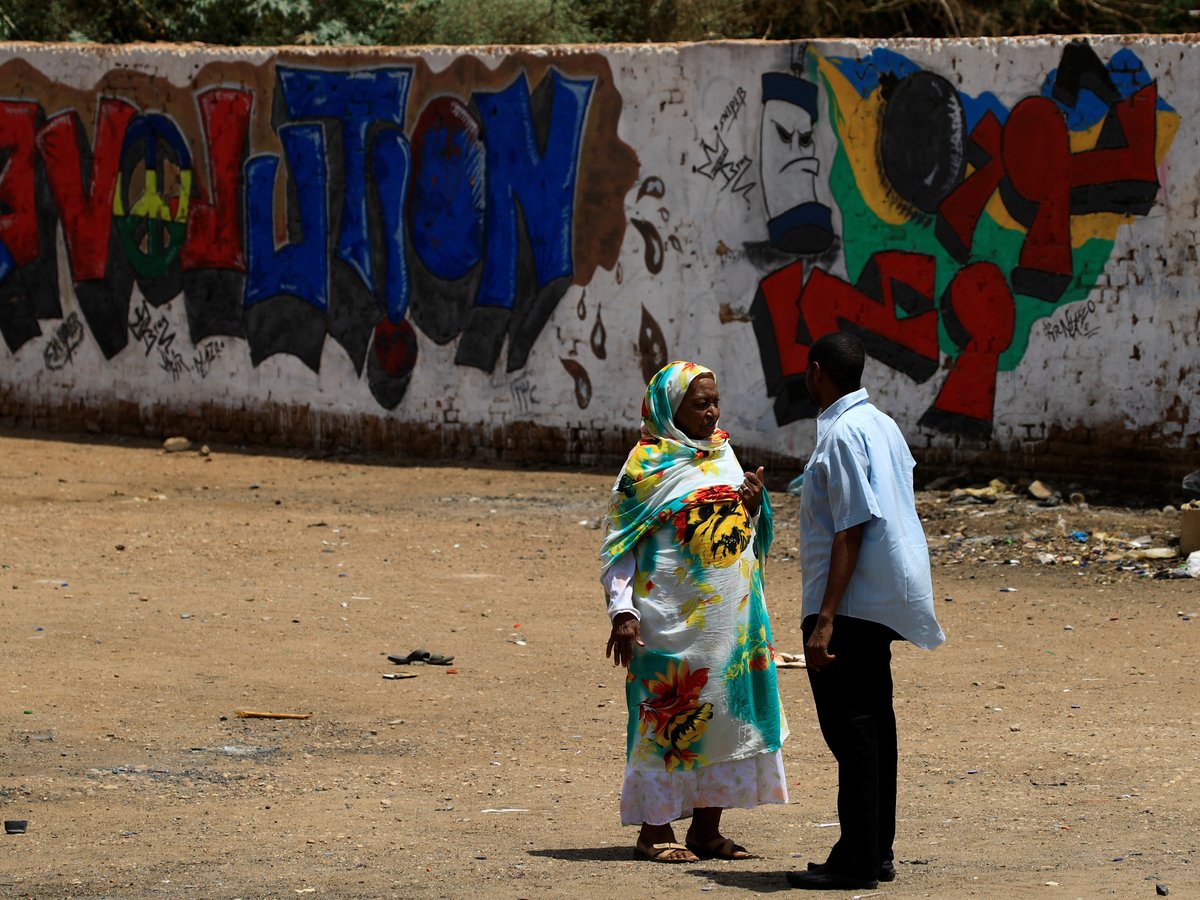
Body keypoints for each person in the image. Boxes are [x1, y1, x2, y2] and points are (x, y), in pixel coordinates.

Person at [601, 361, 789, 863]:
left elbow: (740, 533)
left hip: (729, 620)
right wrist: (623, 612)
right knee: (668, 716)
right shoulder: (645, 466)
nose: (713, 411)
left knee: (722, 716)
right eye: (699, 403)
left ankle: (707, 831)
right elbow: (619, 546)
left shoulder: (723, 452)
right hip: (667, 618)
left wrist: (750, 505)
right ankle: (655, 831)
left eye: (714, 400)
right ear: (670, 409)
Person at [785, 332, 945, 891]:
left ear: (817, 372)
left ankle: (858, 858)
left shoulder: (845, 433)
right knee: (874, 726)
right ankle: (873, 849)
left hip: (848, 604)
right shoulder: (881, 424)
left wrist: (826, 617)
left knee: (853, 733)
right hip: (874, 600)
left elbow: (852, 524)